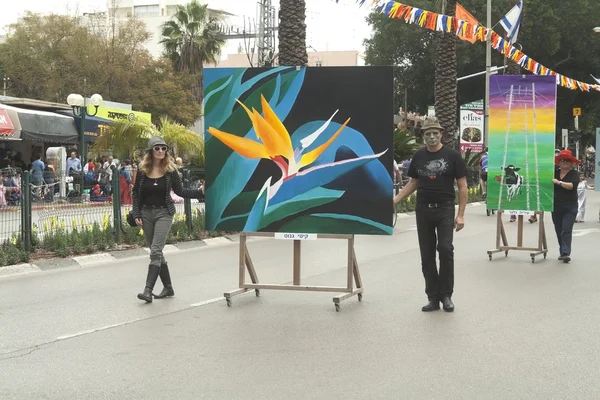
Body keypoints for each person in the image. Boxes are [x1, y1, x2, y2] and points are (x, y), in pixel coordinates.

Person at [393, 118, 468, 312]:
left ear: (441, 133)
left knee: (445, 249)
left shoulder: (452, 156)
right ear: (424, 136)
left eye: (435, 133)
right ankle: (432, 297)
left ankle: (447, 295)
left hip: (445, 209)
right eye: (428, 134)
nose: (432, 136)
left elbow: (462, 186)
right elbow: (413, 183)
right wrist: (395, 200)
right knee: (426, 255)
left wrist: (460, 215)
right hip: (423, 209)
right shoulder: (418, 156)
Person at [132, 136, 202, 303]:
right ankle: (168, 287)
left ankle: (147, 291)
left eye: (164, 148)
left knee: (155, 250)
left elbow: (181, 191)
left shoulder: (170, 171)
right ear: (150, 151)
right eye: (157, 148)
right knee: (156, 252)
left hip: (164, 213)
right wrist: (136, 214)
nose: (161, 151)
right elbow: (136, 194)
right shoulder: (143, 171)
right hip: (146, 214)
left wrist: (200, 193)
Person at [552, 149, 580, 263]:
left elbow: (571, 186)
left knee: (566, 229)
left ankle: (565, 252)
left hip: (570, 206)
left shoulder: (574, 174)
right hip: (556, 206)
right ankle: (562, 250)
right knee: (559, 230)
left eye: (567, 160)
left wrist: (558, 182)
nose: (564, 162)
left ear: (571, 163)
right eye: (562, 160)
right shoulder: (554, 173)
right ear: (559, 162)